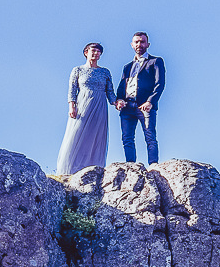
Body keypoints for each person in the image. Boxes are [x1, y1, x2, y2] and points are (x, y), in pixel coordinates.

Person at [54, 42, 112, 175]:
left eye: (99, 51)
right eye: (93, 50)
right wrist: (72, 106)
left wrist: (118, 102)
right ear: (86, 52)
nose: (96, 53)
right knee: (76, 134)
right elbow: (72, 90)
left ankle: (93, 168)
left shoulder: (105, 72)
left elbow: (110, 92)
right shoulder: (78, 70)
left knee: (96, 136)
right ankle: (69, 169)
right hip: (83, 104)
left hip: (100, 105)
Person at [114, 31, 164, 164]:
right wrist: (119, 100)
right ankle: (131, 166)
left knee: (150, 137)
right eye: (136, 42)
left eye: (142, 41)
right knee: (127, 138)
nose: (139, 44)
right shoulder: (127, 67)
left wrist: (150, 101)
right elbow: (121, 86)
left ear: (148, 44)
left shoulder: (155, 61)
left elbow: (160, 84)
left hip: (145, 106)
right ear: (132, 45)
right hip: (127, 107)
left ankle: (153, 165)